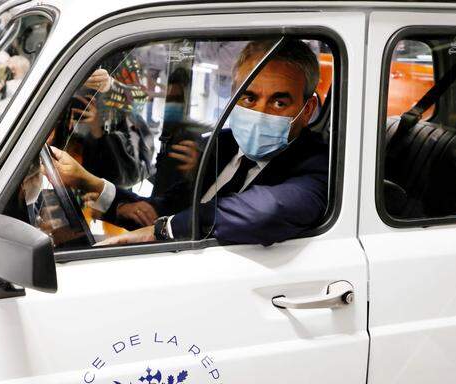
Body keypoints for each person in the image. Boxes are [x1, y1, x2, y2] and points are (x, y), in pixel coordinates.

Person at [50, 39, 329, 246]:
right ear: (232, 94)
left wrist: (162, 229)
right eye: (249, 97)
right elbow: (167, 212)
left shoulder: (320, 166)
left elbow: (266, 211)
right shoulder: (223, 146)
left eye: (280, 101)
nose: (260, 112)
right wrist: (89, 182)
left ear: (306, 110)